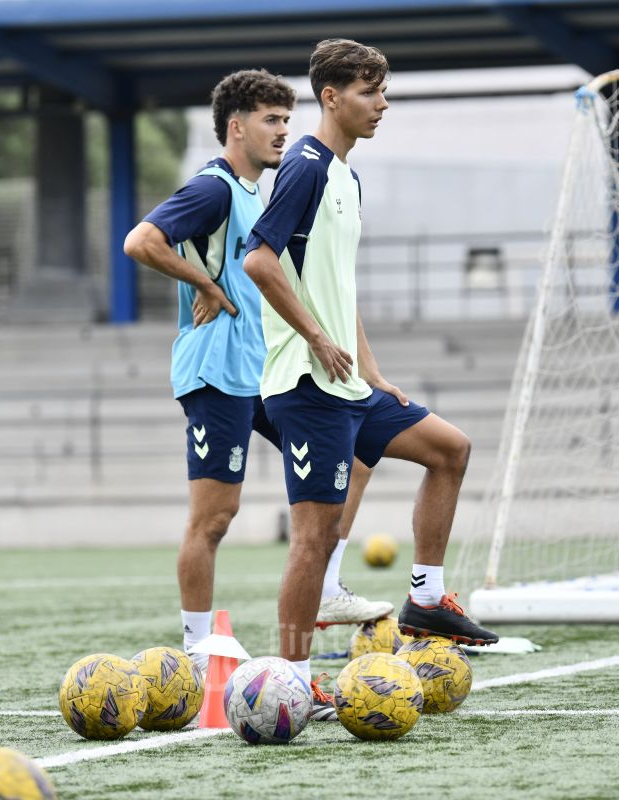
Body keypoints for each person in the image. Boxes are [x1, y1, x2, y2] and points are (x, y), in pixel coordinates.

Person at [243, 40, 499, 690]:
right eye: (367, 92)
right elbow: (260, 261)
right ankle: (293, 682)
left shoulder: (347, 178)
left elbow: (335, 285)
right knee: (312, 537)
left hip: (349, 383)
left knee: (450, 449)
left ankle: (427, 597)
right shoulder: (302, 165)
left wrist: (371, 369)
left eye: (382, 92)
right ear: (330, 97)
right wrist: (318, 340)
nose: (381, 105)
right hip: (305, 384)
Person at [123, 69, 392, 682]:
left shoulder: (259, 193)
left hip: (265, 371)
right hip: (218, 372)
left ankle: (325, 585)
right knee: (215, 517)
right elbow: (141, 241)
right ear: (236, 126)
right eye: (271, 121)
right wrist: (206, 283)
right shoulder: (214, 189)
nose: (282, 133)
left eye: (286, 121)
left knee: (362, 445)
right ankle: (196, 648)